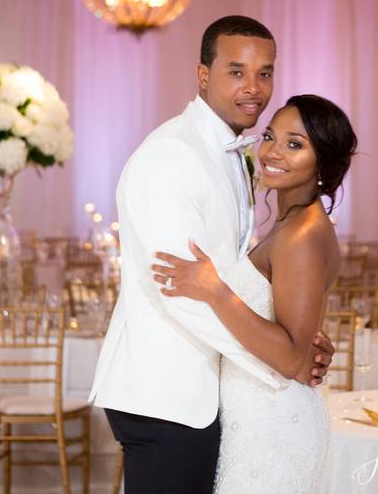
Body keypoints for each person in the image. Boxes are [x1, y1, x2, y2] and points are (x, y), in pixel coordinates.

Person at [89, 16, 335, 494]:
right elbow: (177, 291)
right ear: (203, 75)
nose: (254, 88)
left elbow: (234, 277)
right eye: (237, 72)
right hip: (168, 390)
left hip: (207, 386)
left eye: (265, 73)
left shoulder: (234, 152)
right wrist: (280, 357)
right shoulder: (169, 156)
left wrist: (297, 338)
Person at [152, 94, 358, 493]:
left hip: (273, 426)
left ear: (324, 164)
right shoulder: (291, 224)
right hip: (255, 417)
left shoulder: (302, 234)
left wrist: (216, 291)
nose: (271, 151)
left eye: (295, 144)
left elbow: (290, 357)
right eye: (269, 136)